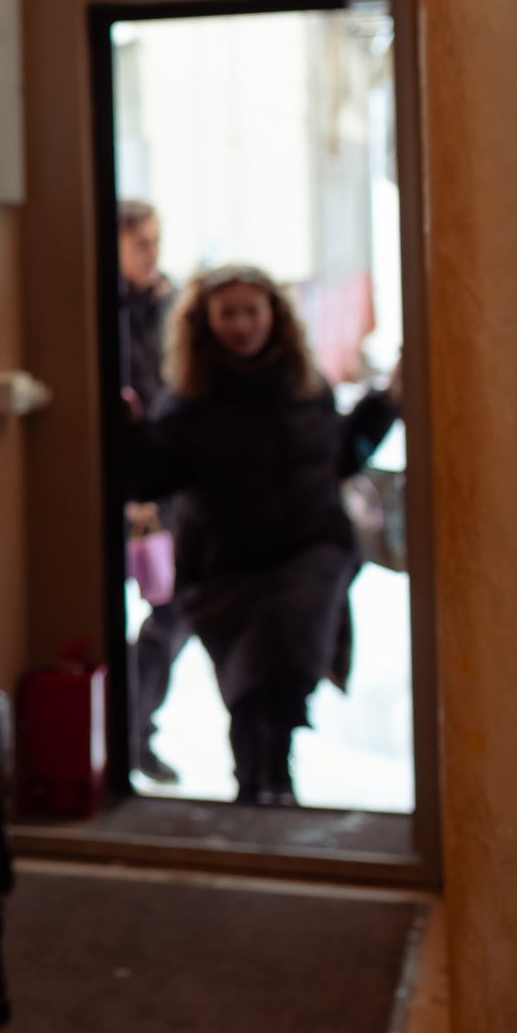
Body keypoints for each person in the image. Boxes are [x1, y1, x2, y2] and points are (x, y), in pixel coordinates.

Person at [124, 265, 400, 807]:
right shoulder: (189, 404)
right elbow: (150, 476)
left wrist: (386, 402)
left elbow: (340, 454)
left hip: (309, 556)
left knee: (285, 666)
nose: (243, 324)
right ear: (207, 322)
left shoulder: (305, 385)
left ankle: (273, 785)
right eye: (229, 313)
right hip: (230, 572)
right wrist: (129, 434)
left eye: (253, 310)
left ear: (275, 315)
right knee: (249, 693)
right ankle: (258, 791)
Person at [115, 198, 189, 785]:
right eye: (142, 243)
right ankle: (125, 732)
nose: (154, 254)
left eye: (157, 241)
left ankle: (136, 729)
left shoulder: (169, 305)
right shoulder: (104, 308)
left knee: (170, 606)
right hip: (120, 480)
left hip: (160, 478)